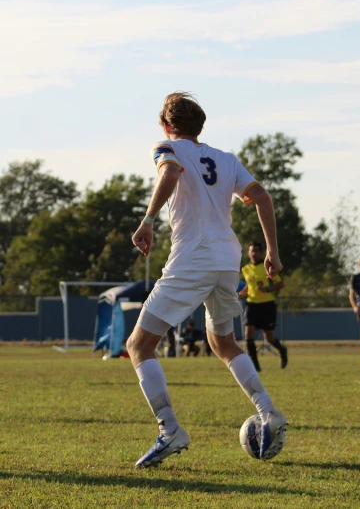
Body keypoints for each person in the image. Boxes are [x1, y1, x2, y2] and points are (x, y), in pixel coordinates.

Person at [126, 92, 287, 468]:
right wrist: (272, 252)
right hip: (226, 260)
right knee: (223, 342)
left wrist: (147, 220)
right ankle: (269, 412)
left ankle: (170, 430)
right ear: (201, 126)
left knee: (139, 345)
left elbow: (168, 172)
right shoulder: (227, 160)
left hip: (193, 258)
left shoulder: (166, 147)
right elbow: (261, 196)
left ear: (167, 126)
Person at [238, 241, 287, 370]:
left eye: (256, 251)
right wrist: (241, 294)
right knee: (248, 334)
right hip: (252, 304)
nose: (254, 253)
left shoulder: (266, 267)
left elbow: (280, 283)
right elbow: (249, 286)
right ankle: (255, 366)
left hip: (267, 305)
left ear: (261, 253)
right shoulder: (245, 269)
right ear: (248, 253)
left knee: (269, 338)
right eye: (251, 251)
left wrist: (267, 289)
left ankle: (282, 350)